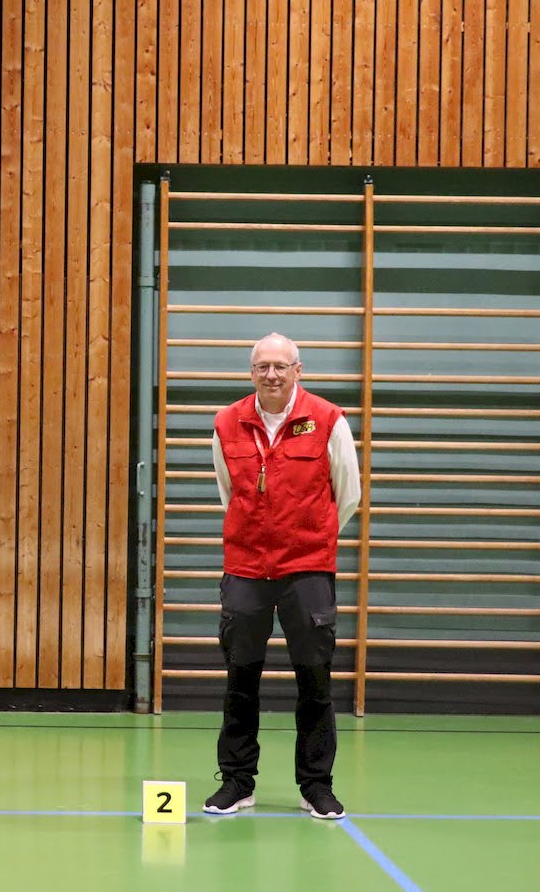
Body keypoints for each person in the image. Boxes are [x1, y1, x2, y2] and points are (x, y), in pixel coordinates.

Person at [202, 333, 361, 820]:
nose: (271, 375)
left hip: (307, 569)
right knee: (240, 678)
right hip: (245, 569)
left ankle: (316, 786)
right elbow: (229, 492)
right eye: (262, 367)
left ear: (298, 370)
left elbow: (348, 494)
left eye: (280, 366)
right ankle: (236, 782)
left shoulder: (328, 420)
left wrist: (309, 538)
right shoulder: (227, 422)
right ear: (251, 372)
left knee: (314, 681)